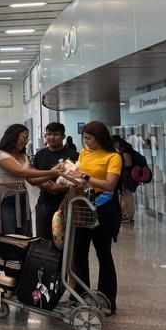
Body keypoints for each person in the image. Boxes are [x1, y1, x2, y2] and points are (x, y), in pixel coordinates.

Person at [65, 120, 122, 315]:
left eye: (89, 138)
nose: (86, 142)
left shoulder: (113, 157)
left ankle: (107, 300)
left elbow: (109, 185)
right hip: (83, 203)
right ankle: (81, 294)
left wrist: (86, 176)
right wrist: (67, 173)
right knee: (79, 252)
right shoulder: (84, 153)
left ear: (100, 138)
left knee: (103, 253)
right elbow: (78, 177)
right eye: (84, 139)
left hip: (103, 206)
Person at [0, 124, 60, 237]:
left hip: (21, 196)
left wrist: (55, 174)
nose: (26, 141)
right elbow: (21, 172)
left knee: (23, 234)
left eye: (27, 138)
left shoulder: (23, 157)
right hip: (5, 197)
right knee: (6, 233)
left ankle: (19, 255)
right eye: (24, 137)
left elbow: (32, 180)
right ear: (14, 135)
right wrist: (51, 172)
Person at [28, 123, 79, 238]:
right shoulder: (40, 155)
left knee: (66, 240)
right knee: (42, 238)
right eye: (49, 134)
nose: (52, 137)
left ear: (63, 136)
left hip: (66, 202)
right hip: (44, 202)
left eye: (56, 134)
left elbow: (78, 182)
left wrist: (60, 188)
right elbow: (34, 175)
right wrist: (42, 184)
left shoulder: (73, 155)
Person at [112, 135, 145, 224]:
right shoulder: (126, 148)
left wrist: (117, 164)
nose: (115, 147)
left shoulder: (125, 149)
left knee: (127, 195)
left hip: (127, 175)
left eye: (114, 145)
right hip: (126, 175)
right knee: (124, 194)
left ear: (117, 143)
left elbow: (128, 163)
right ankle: (125, 214)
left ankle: (128, 215)